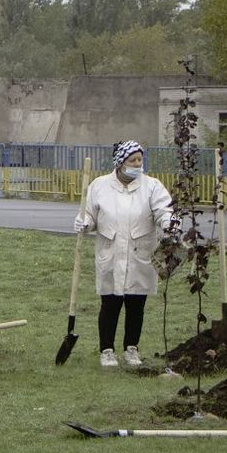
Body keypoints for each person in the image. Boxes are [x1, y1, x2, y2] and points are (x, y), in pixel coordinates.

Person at [74, 140, 173, 368]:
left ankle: (131, 348)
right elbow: (89, 213)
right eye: (132, 160)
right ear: (120, 162)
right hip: (111, 253)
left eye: (140, 159)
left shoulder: (151, 186)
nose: (138, 164)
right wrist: (84, 223)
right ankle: (106, 350)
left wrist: (169, 223)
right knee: (110, 303)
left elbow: (164, 210)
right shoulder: (99, 186)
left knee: (136, 304)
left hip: (140, 253)